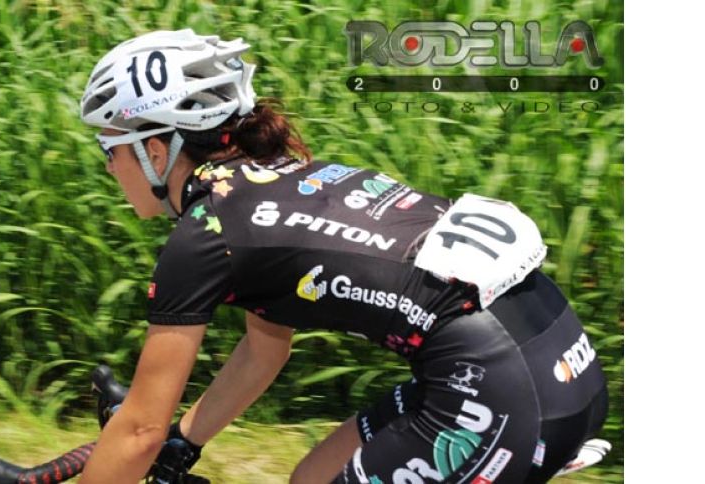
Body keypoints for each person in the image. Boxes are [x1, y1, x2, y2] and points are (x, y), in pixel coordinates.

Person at [77, 29, 608, 484]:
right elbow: (262, 353)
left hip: (500, 391)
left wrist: (152, 440)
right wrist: (186, 441)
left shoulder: (206, 232)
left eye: (110, 149)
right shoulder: (275, 181)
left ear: (155, 151)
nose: (108, 168)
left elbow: (139, 431)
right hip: (563, 363)